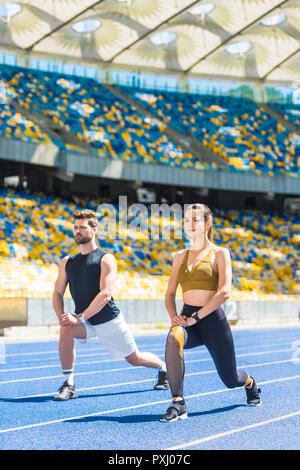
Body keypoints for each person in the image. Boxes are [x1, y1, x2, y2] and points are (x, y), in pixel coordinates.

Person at [52, 209, 168, 400]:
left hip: (108, 320)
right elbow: (57, 292)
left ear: (94, 229)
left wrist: (79, 317)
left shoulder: (106, 259)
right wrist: (62, 316)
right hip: (85, 321)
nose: (77, 231)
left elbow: (105, 294)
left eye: (82, 227)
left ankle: (164, 369)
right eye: (75, 228)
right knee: (65, 328)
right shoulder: (67, 262)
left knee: (134, 358)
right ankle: (69, 385)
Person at [160, 203, 261, 422]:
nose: (190, 225)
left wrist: (197, 317)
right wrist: (174, 316)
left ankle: (250, 383)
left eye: (195, 220)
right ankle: (179, 403)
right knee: (172, 337)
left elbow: (225, 291)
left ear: (208, 223)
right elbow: (169, 294)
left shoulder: (220, 253)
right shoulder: (179, 256)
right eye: (187, 220)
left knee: (230, 379)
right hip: (187, 320)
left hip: (212, 321)